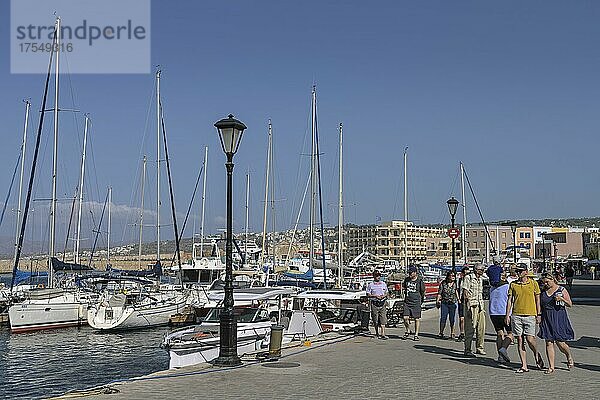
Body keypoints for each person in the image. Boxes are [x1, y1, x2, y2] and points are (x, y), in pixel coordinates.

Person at [505, 265, 545, 373]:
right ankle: (524, 365)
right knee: (519, 340)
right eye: (517, 271)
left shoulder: (533, 283)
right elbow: (510, 300)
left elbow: (537, 299)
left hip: (530, 315)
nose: (518, 272)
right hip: (516, 315)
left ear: (526, 272)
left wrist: (539, 314)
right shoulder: (513, 284)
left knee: (530, 339)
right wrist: (507, 314)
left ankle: (536, 354)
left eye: (520, 271)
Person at [538, 273, 575, 374]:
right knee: (549, 342)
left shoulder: (561, 290)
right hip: (546, 317)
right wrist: (539, 315)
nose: (546, 284)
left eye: (547, 281)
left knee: (560, 343)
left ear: (553, 279)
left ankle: (568, 356)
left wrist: (562, 299)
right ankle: (551, 366)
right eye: (544, 282)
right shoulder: (543, 291)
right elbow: (540, 304)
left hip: (559, 317)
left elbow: (570, 304)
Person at [462, 264, 486, 357]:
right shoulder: (468, 278)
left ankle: (480, 348)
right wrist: (468, 308)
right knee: (470, 328)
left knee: (481, 328)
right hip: (472, 305)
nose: (483, 271)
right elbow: (465, 293)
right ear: (476, 270)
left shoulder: (480, 279)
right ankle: (467, 349)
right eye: (481, 269)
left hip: (480, 305)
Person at [489, 273, 514, 363]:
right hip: (504, 312)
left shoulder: (492, 287)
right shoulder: (507, 287)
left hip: (493, 312)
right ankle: (503, 349)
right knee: (511, 334)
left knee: (499, 333)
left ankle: (500, 357)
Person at [402, 265, 425, 341]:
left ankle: (416, 334)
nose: (410, 274)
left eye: (411, 273)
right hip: (407, 302)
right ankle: (408, 330)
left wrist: (421, 300)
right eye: (409, 273)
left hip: (416, 302)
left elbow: (422, 291)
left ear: (415, 273)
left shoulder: (420, 281)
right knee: (405, 318)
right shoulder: (407, 280)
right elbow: (404, 288)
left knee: (416, 319)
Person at [436, 270, 459, 339]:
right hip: (444, 303)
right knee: (443, 318)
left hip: (453, 303)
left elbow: (456, 291)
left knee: (452, 319)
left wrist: (459, 300)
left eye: (454, 276)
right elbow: (439, 293)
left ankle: (452, 333)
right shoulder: (443, 283)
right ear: (448, 276)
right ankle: (441, 332)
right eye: (452, 276)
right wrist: (437, 301)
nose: (453, 277)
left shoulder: (455, 283)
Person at [366, 270, 389, 339]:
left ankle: (383, 333)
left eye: (379, 275)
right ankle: (377, 333)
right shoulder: (370, 285)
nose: (378, 277)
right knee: (375, 319)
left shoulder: (383, 284)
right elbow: (368, 294)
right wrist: (375, 296)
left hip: (382, 303)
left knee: (383, 319)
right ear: (373, 276)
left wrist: (384, 296)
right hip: (374, 303)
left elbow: (387, 292)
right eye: (376, 275)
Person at [455, 266, 471, 341]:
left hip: (469, 300)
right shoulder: (460, 280)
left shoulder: (471, 280)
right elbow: (457, 290)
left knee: (468, 318)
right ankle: (462, 333)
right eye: (465, 273)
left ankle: (468, 333)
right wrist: (458, 299)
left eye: (468, 273)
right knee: (461, 318)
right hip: (461, 300)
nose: (466, 275)